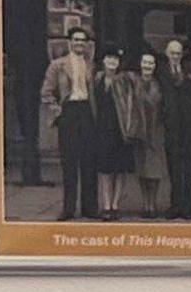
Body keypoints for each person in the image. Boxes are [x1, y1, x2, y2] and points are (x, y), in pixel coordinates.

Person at [38, 37, 111, 221]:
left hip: (87, 111)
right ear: (70, 43)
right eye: (76, 40)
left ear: (86, 44)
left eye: (83, 41)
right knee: (69, 163)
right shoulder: (58, 65)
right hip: (69, 111)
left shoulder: (91, 65)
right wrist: (57, 111)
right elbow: (46, 92)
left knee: (89, 162)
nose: (80, 43)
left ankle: (90, 208)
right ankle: (68, 209)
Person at [112, 48, 167, 217]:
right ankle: (146, 204)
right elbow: (118, 79)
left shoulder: (160, 83)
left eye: (151, 63)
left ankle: (154, 202)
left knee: (155, 170)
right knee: (143, 169)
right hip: (140, 131)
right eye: (145, 62)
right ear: (140, 64)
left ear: (155, 65)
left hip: (156, 130)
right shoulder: (133, 81)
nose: (148, 65)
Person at [157, 49, 191, 223]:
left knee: (189, 169)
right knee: (174, 169)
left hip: (189, 126)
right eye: (172, 53)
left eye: (178, 53)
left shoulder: (190, 69)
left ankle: (188, 207)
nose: (175, 56)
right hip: (171, 126)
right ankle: (175, 205)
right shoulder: (161, 72)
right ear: (167, 54)